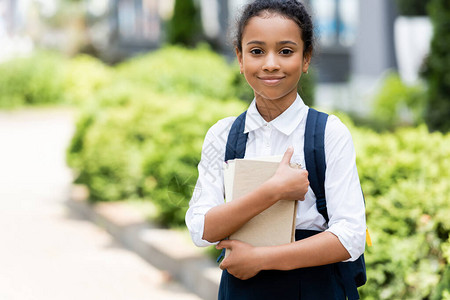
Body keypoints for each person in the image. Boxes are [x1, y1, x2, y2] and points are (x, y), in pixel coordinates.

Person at [185, 0, 366, 299]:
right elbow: (201, 229)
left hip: (314, 286)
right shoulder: (223, 134)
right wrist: (273, 191)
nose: (271, 63)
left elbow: (350, 238)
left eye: (286, 51)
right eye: (256, 51)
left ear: (306, 59)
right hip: (241, 288)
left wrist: (260, 259)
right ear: (240, 59)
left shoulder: (328, 133)